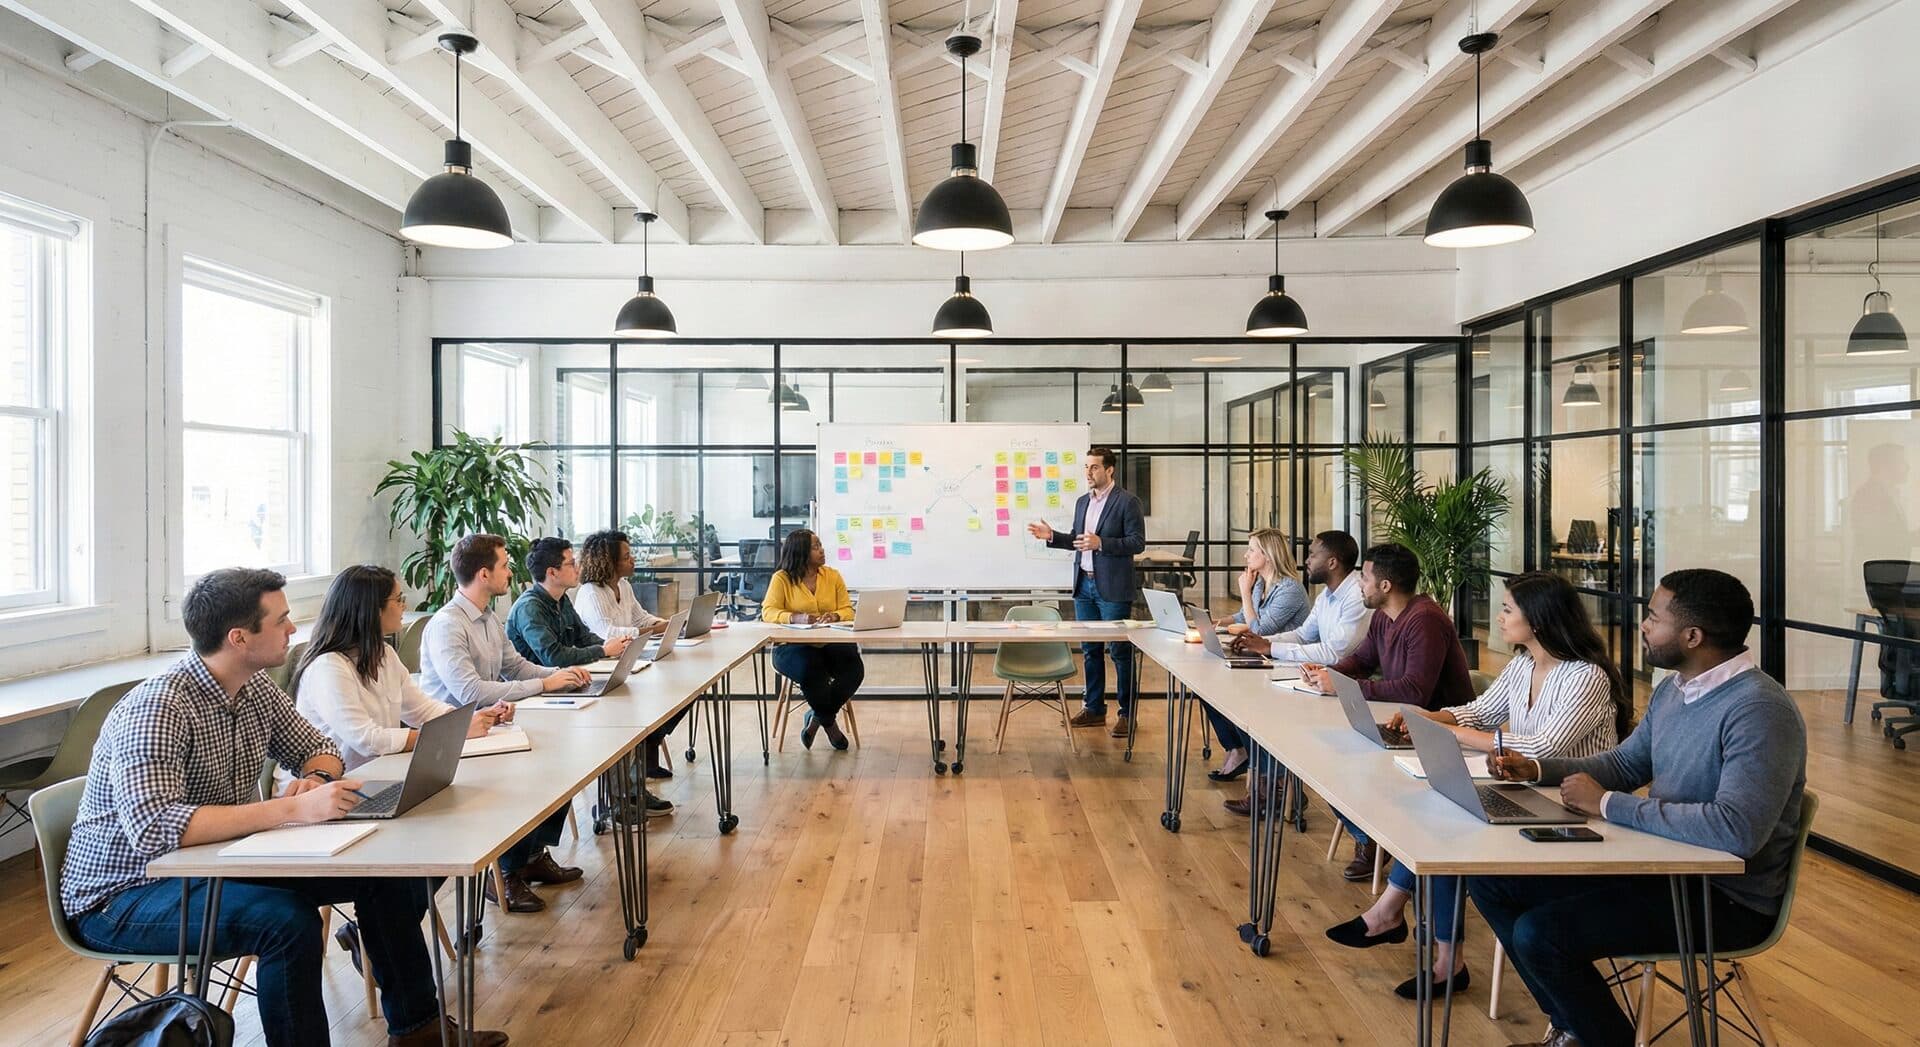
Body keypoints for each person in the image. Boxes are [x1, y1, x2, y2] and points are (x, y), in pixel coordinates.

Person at [61, 568, 507, 1047]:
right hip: (125, 895)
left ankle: (418, 1030)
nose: (294, 630)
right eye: (282, 620)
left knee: (388, 876)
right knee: (286, 924)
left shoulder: (253, 689)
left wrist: (314, 780)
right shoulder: (157, 708)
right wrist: (290, 810)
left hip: (219, 858)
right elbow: (155, 830)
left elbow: (321, 749)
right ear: (238, 637)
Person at [1469, 569, 1806, 1047]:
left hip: (1724, 897)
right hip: (1659, 865)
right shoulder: (1675, 688)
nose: (1642, 626)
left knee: (1541, 934)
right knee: (1491, 881)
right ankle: (1575, 1027)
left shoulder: (1759, 709)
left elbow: (1737, 831)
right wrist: (1538, 769)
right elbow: (1627, 763)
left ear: (1692, 635)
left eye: (1653, 617)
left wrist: (1606, 804)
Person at [1322, 571, 1630, 1003]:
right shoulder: (1525, 664)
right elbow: (1481, 711)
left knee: (1452, 829)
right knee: (1444, 816)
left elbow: (1543, 747)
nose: (1498, 618)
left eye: (1507, 609)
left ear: (1538, 620)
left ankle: (1401, 921)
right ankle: (1427, 943)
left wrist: (1451, 734)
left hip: (1576, 814)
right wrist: (1431, 718)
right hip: (1529, 795)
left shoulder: (1585, 676)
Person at [418, 534, 612, 913]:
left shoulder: (489, 617)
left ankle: (531, 855)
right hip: (456, 739)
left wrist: (560, 674)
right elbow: (469, 691)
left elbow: (515, 667)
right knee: (534, 768)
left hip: (492, 726)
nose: (512, 572)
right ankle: (506, 874)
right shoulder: (447, 625)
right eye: (506, 566)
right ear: (484, 573)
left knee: (564, 756)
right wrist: (544, 683)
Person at [1286, 543, 1476, 880]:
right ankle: (1370, 838)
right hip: (1398, 722)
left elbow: (1414, 690)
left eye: (1366, 578)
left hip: (1433, 733)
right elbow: (1361, 661)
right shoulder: (1382, 617)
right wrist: (1327, 673)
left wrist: (1346, 685)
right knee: (1322, 759)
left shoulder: (1425, 620)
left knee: (1340, 766)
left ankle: (1376, 839)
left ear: (1385, 586)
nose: (1360, 583)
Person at [294, 564, 512, 771]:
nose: (404, 606)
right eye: (398, 599)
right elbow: (367, 740)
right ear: (372, 609)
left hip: (377, 775)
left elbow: (422, 710)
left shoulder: (385, 654)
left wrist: (470, 720)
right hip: (329, 790)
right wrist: (455, 732)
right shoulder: (327, 668)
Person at [1208, 530, 1367, 780]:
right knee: (1225, 695)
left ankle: (1273, 784)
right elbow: (1303, 634)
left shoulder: (1352, 597)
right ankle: (1264, 779)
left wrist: (1267, 645)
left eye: (1313, 554)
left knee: (1254, 706)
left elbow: (1335, 653)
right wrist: (1260, 643)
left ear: (1332, 562)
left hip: (1337, 683)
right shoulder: (1327, 595)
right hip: (1308, 671)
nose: (1306, 560)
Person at [1026, 446, 1147, 738]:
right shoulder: (1082, 503)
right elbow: (1081, 541)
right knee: (1091, 651)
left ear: (1109, 470)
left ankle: (1127, 715)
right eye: (1086, 467)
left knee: (1119, 652)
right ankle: (1094, 709)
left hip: (1112, 588)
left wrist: (1102, 543)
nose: (1088, 473)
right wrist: (1053, 537)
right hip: (1084, 584)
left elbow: (1136, 543)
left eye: (1094, 468)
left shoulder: (1127, 502)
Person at [574, 528, 687, 780]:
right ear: (609, 562)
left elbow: (640, 617)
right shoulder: (592, 593)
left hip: (631, 659)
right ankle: (640, 760)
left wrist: (666, 623)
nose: (632, 560)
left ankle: (649, 746)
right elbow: (608, 634)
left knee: (682, 694)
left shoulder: (623, 586)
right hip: (603, 666)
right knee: (657, 695)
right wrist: (652, 629)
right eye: (626, 556)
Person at [761, 528, 863, 750]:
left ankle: (817, 718)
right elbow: (768, 612)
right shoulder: (782, 579)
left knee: (854, 668)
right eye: (815, 547)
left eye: (820, 545)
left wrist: (835, 615)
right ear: (801, 552)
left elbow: (848, 610)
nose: (821, 550)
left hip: (830, 643)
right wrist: (794, 617)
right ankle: (830, 726)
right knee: (811, 668)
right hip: (791, 648)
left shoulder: (832, 576)